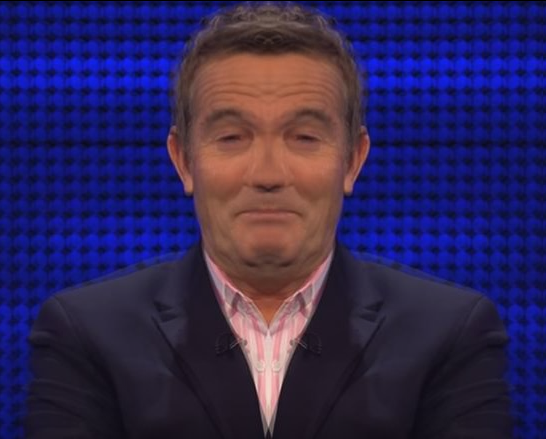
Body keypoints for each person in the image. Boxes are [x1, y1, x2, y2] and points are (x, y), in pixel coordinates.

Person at [25, 2, 512, 438]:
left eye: (304, 138)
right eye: (232, 138)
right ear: (184, 161)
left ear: (352, 161)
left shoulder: (449, 333)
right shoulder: (87, 333)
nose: (268, 175)